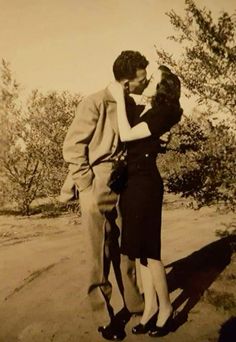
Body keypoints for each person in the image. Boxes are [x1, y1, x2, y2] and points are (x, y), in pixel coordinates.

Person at [62, 50, 149, 341]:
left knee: (126, 248)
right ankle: (104, 317)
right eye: (141, 79)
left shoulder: (129, 105)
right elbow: (73, 146)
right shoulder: (95, 102)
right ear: (126, 81)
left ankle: (137, 306)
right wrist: (87, 185)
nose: (145, 83)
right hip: (97, 182)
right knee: (98, 254)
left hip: (123, 182)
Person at [108, 65, 183, 337]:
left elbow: (127, 134)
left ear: (163, 87)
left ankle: (166, 308)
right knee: (139, 250)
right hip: (134, 183)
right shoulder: (153, 111)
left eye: (154, 78)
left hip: (145, 185)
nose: (148, 80)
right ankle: (150, 307)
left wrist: (117, 96)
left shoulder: (164, 112)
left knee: (150, 252)